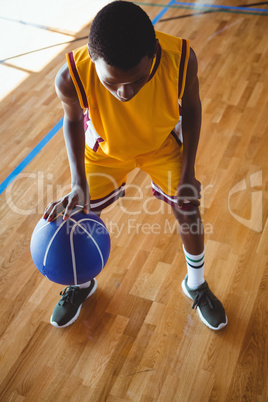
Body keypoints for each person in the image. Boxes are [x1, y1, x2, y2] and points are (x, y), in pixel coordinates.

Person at [43, 1, 227, 330]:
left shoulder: (180, 59)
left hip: (160, 144)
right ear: (92, 56)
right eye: (112, 83)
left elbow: (192, 108)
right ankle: (82, 283)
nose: (125, 92)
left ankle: (196, 285)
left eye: (137, 80)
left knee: (188, 208)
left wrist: (189, 173)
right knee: (80, 215)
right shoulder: (71, 76)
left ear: (154, 52)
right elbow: (72, 120)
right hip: (104, 151)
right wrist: (77, 183)